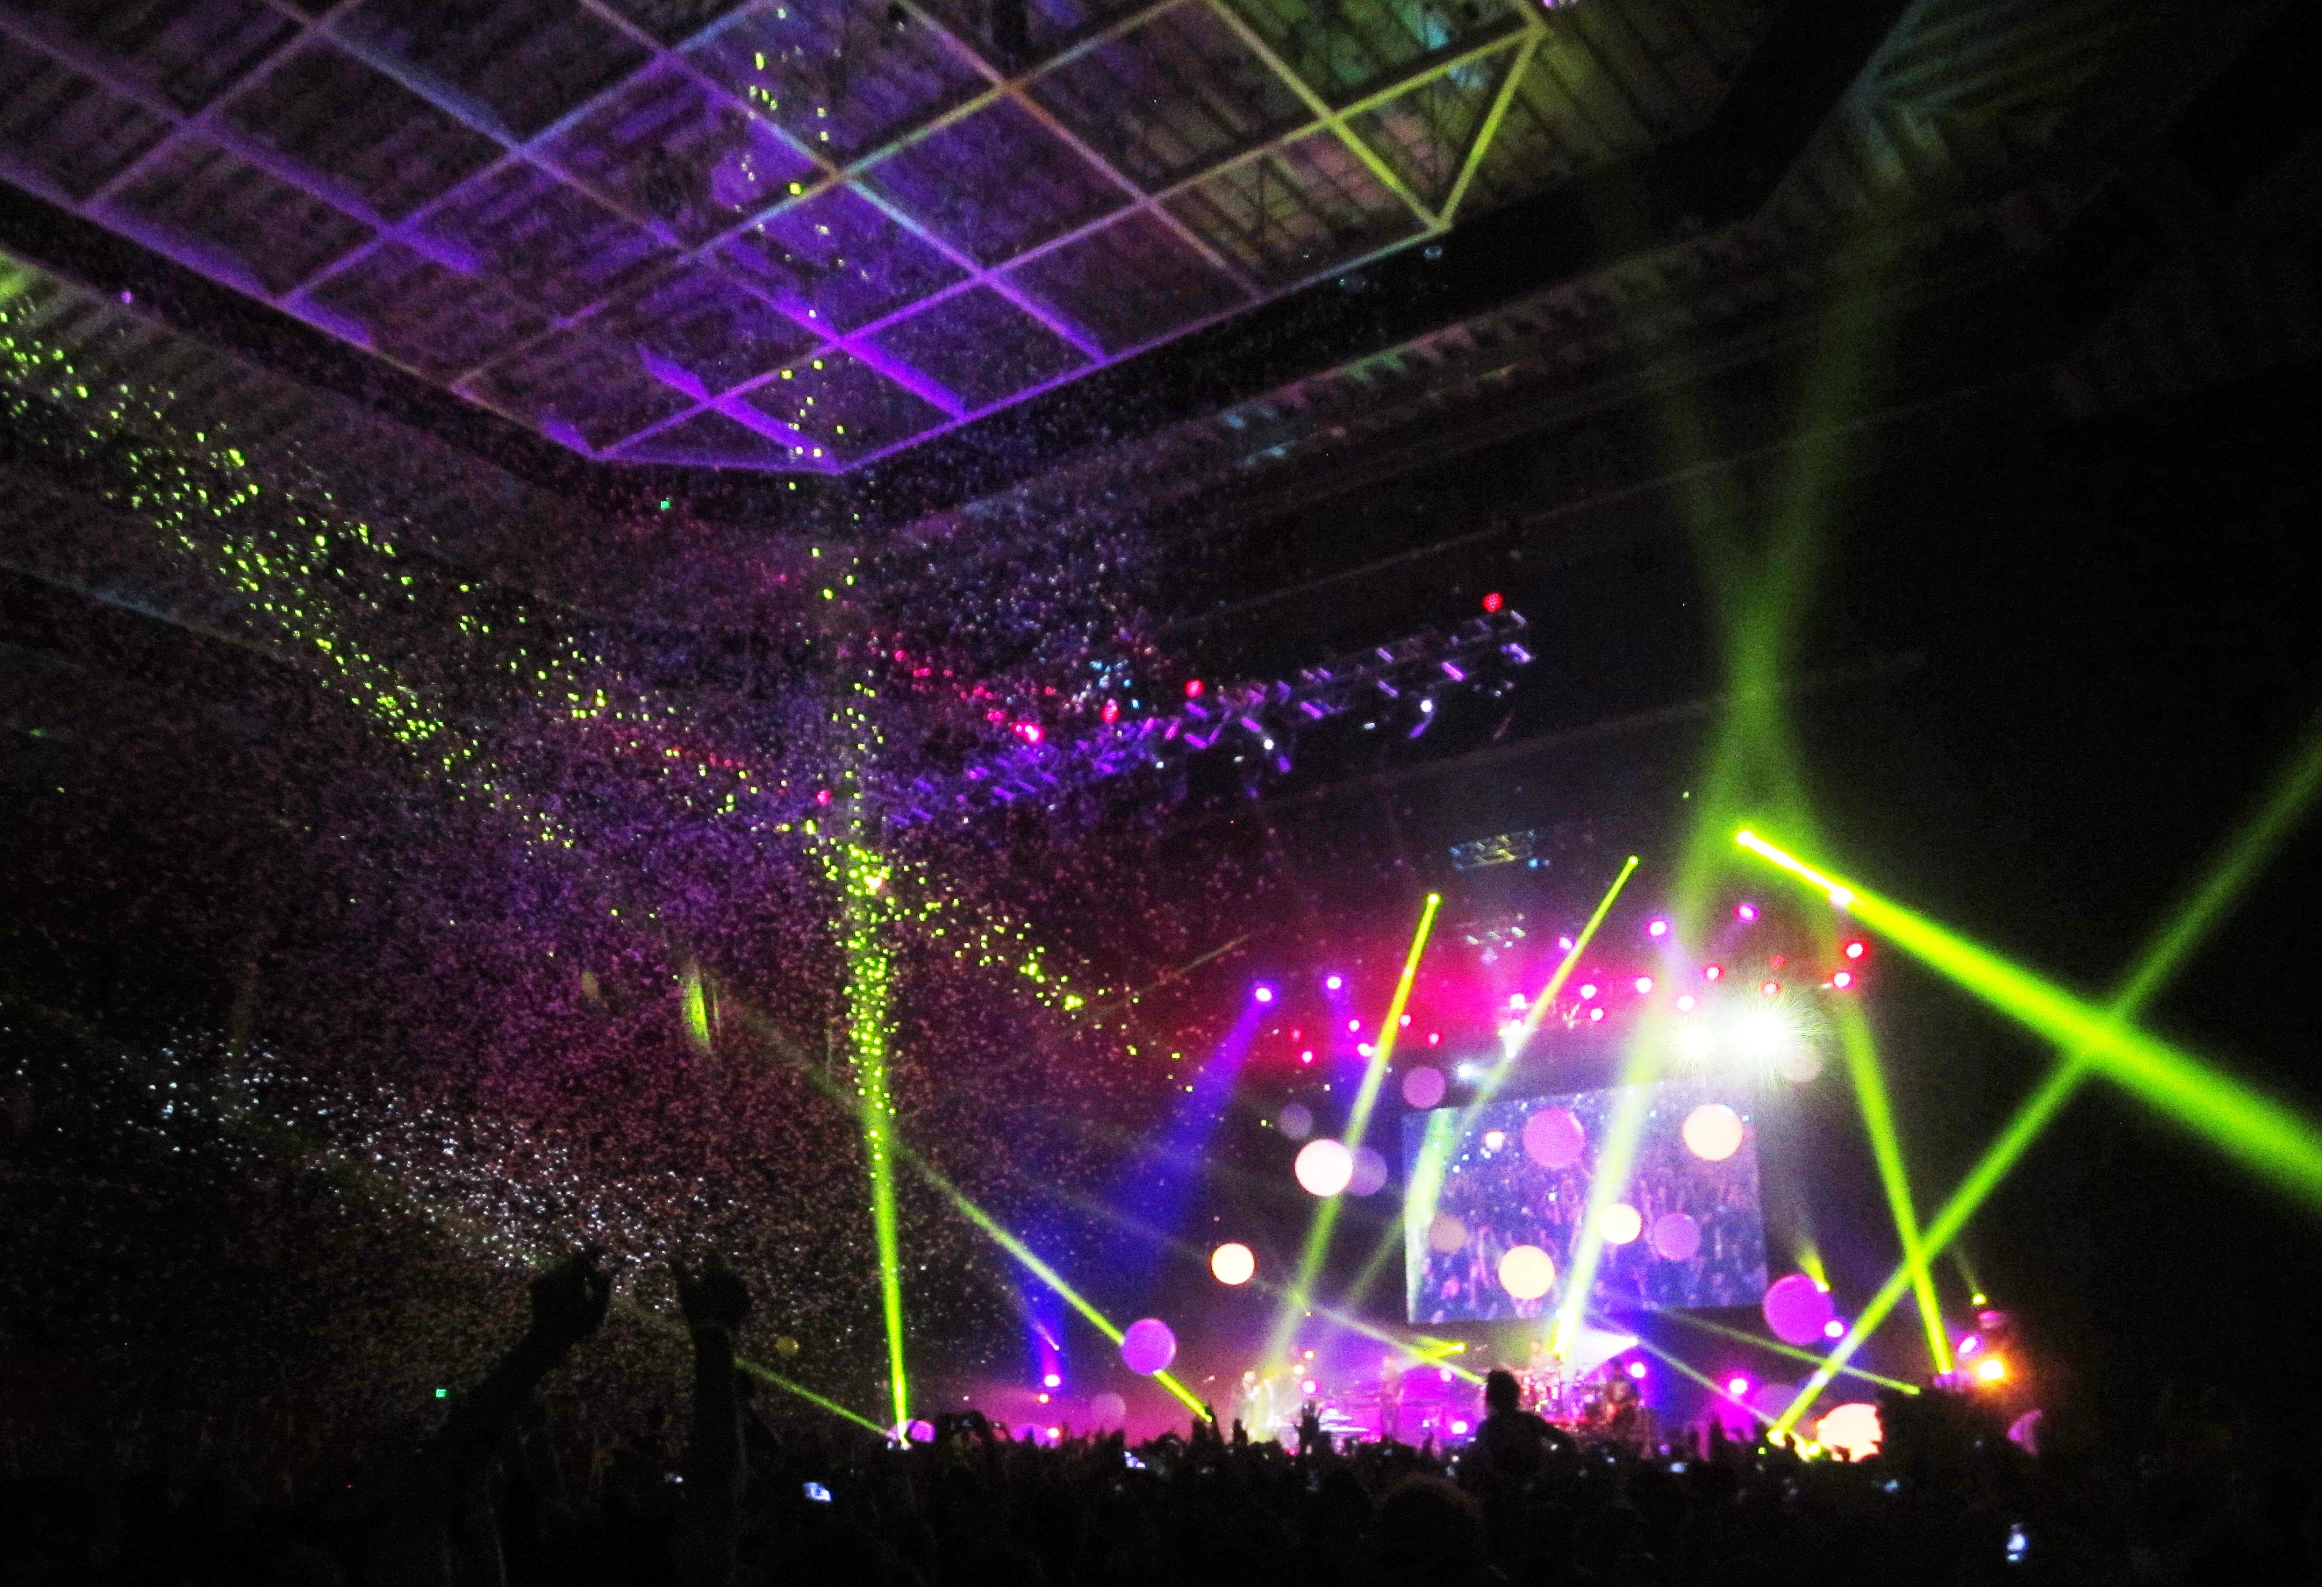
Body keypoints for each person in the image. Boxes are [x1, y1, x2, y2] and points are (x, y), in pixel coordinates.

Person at [1465, 1368, 1574, 1490]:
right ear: (1515, 1394)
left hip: (1503, 1497)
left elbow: (1478, 1466)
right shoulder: (1530, 1421)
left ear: (1491, 1399)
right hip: (1536, 1494)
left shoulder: (1487, 1429)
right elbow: (1568, 1443)